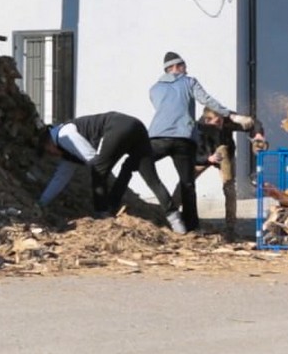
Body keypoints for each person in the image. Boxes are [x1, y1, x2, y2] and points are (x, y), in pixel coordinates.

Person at [148, 51, 252, 234]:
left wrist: (256, 134)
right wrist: (231, 114)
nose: (186, 70)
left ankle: (229, 225)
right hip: (193, 148)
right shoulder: (189, 86)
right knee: (187, 184)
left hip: (161, 138)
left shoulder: (154, 89)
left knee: (141, 165)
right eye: (184, 66)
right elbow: (207, 99)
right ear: (176, 67)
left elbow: (252, 125)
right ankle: (182, 222)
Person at [37, 111, 175, 226]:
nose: (52, 155)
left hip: (116, 127)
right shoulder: (66, 144)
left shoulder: (63, 135)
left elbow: (91, 158)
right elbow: (61, 177)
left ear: (49, 142)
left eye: (48, 151)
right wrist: (42, 201)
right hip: (136, 125)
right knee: (152, 178)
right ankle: (177, 221)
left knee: (98, 170)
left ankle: (102, 215)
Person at [171, 107, 268, 238]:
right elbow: (191, 154)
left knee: (229, 187)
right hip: (204, 156)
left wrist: (257, 134)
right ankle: (171, 213)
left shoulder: (227, 120)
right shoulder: (197, 129)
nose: (220, 125)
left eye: (221, 120)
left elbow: (254, 123)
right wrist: (208, 159)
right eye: (217, 122)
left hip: (224, 156)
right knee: (185, 182)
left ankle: (230, 226)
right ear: (207, 120)